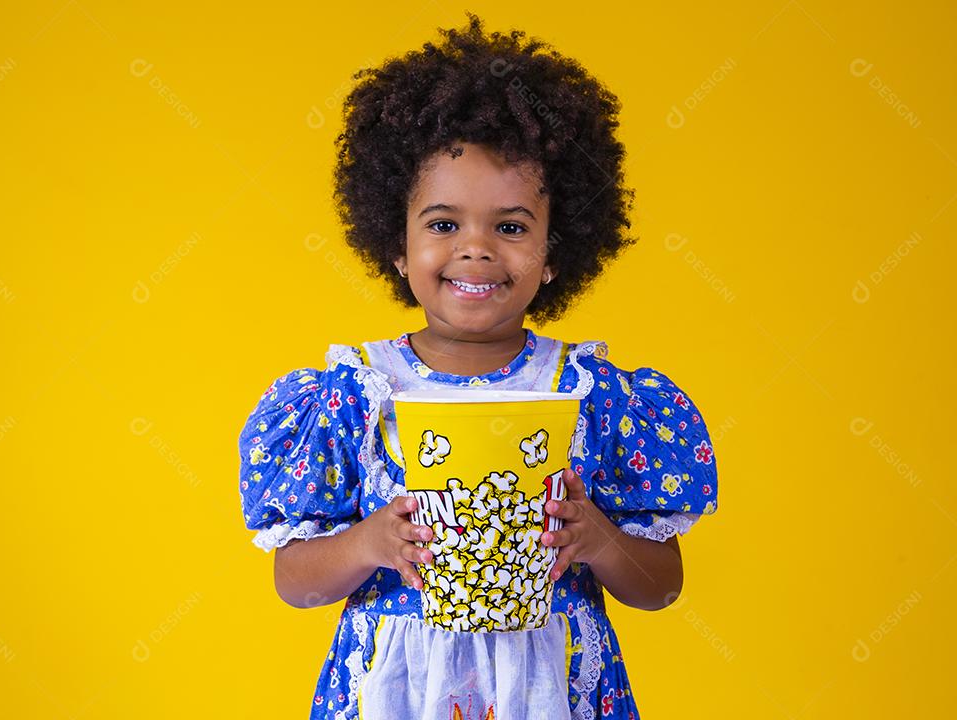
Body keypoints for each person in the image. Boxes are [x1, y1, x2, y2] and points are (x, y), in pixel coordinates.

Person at [238, 12, 719, 719]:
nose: (476, 248)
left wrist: (600, 539)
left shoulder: (594, 395)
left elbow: (662, 586)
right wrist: (369, 542)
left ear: (556, 253)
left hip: (553, 686)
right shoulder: (351, 397)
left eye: (512, 226)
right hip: (398, 689)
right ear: (395, 246)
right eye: (442, 224)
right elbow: (295, 582)